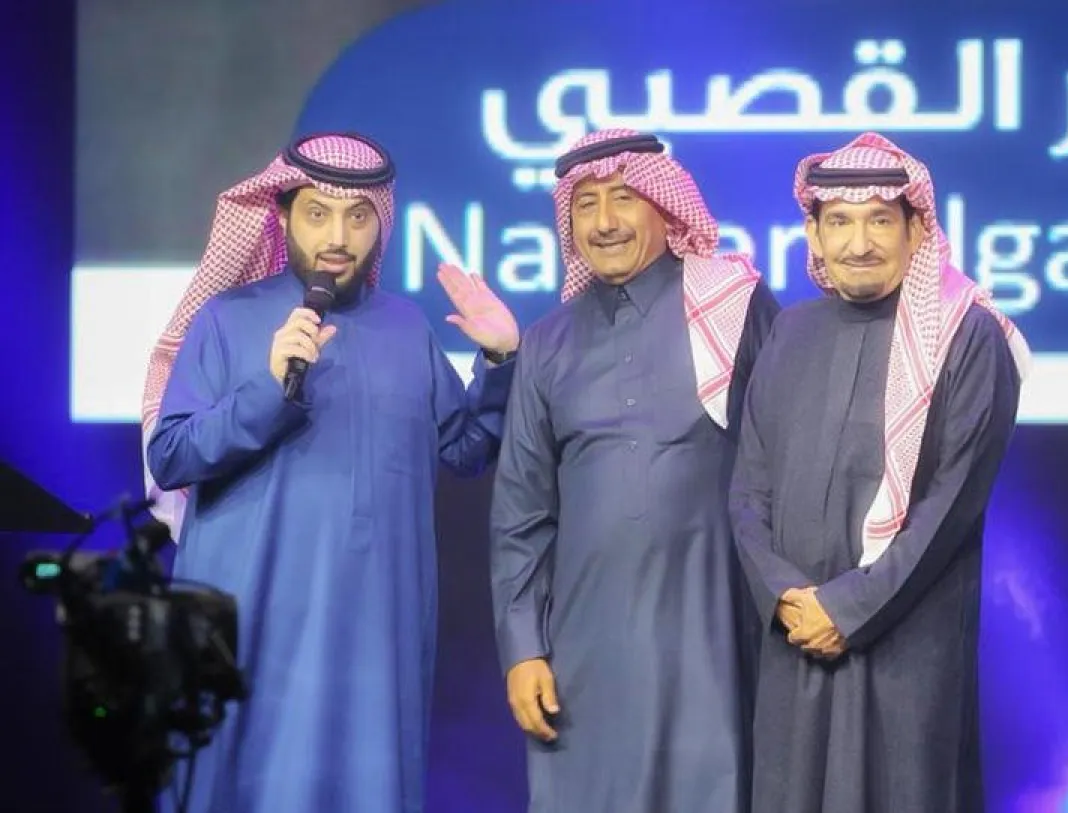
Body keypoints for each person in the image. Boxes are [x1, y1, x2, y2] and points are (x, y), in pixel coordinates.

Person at [141, 132, 519, 813]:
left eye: (357, 216)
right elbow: (171, 456)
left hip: (375, 629)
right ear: (284, 216)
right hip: (252, 619)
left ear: (380, 225)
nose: (338, 236)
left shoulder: (405, 328)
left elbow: (466, 449)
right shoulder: (227, 319)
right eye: (317, 214)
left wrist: (499, 362)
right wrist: (268, 387)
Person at [728, 132, 1031, 813]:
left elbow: (951, 504)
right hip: (796, 638)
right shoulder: (789, 332)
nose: (858, 243)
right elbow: (749, 490)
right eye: (839, 221)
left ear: (916, 229)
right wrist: (784, 596)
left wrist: (847, 608)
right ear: (813, 234)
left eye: (879, 221)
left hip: (905, 645)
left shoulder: (965, 335)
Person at [489, 128, 781, 813]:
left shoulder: (730, 310)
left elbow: (788, 458)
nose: (605, 222)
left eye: (623, 198)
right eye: (585, 205)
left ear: (664, 205)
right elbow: (521, 514)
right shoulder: (548, 342)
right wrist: (523, 649)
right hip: (586, 648)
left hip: (713, 629)